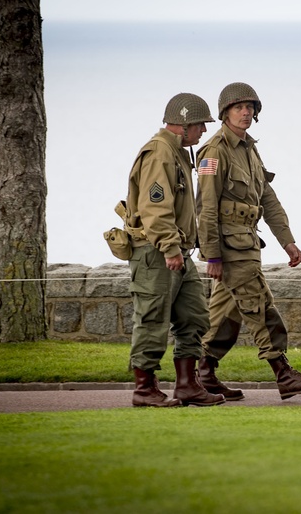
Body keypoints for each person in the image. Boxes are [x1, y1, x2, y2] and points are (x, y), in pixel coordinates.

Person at [195, 82, 301, 400]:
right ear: (225, 112)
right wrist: (211, 255)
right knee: (259, 308)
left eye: (250, 107)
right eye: (239, 107)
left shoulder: (249, 149)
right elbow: (206, 205)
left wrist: (287, 240)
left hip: (248, 244)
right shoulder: (213, 152)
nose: (246, 112)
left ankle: (203, 374)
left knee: (226, 314)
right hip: (229, 249)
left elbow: (267, 196)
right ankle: (284, 375)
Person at [124, 93, 225, 407]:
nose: (203, 132)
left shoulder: (177, 152)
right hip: (157, 252)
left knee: (194, 316)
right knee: (152, 319)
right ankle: (144, 389)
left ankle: (186, 385)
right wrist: (170, 248)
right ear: (184, 125)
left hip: (177, 250)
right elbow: (155, 208)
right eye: (200, 126)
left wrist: (178, 249)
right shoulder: (160, 153)